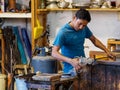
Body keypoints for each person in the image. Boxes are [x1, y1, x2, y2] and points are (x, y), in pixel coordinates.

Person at [52, 8, 115, 90]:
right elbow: (54, 53)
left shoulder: (84, 28)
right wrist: (71, 61)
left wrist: (107, 51)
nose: (81, 27)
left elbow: (94, 40)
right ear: (74, 18)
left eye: (84, 25)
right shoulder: (63, 32)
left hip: (83, 67)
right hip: (70, 71)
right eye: (80, 24)